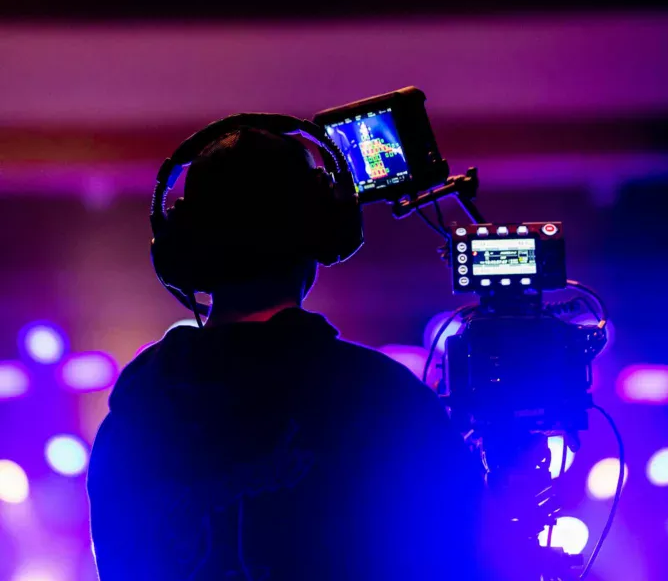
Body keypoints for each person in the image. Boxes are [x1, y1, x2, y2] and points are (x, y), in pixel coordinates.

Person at [88, 127, 480, 580]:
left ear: (186, 251)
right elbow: (461, 555)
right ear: (324, 233)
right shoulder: (383, 396)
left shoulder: (136, 412)